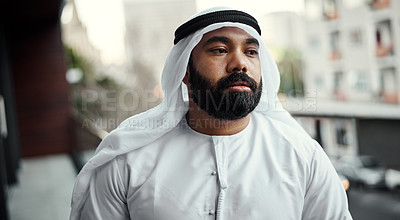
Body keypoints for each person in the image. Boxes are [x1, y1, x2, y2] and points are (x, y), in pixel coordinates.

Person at [70, 7, 353, 220]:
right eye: (220, 50)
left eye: (251, 52)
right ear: (185, 71)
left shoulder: (303, 156)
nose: (239, 64)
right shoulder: (127, 161)